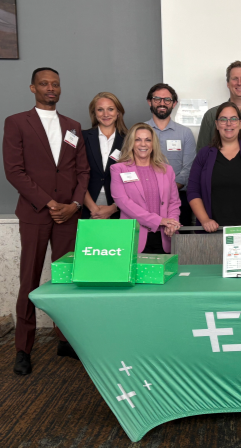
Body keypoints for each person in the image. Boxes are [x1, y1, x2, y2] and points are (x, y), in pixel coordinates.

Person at [3, 67, 90, 375]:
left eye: (55, 84)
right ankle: (23, 348)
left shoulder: (73, 126)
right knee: (30, 279)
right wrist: (49, 202)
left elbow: (83, 172)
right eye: (44, 84)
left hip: (69, 215)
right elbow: (14, 171)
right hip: (36, 214)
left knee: (66, 278)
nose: (51, 88)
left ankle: (65, 339)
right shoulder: (16, 123)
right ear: (32, 88)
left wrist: (74, 205)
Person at [187, 102, 241, 232]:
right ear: (216, 124)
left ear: (240, 123)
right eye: (223, 119)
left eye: (233, 119)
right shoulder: (204, 155)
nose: (229, 123)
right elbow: (193, 191)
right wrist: (205, 220)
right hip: (210, 232)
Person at [110, 123, 181, 254]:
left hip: (164, 237)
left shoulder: (167, 170)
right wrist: (159, 221)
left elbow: (174, 202)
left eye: (148, 140)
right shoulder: (118, 169)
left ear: (153, 144)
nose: (143, 144)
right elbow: (124, 203)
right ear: (131, 143)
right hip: (134, 237)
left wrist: (172, 222)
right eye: (138, 139)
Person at [145, 83, 196, 227]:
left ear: (174, 104)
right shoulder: (139, 131)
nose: (162, 103)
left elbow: (188, 169)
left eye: (167, 100)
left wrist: (167, 190)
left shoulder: (185, 133)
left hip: (179, 199)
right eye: (157, 99)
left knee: (178, 244)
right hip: (145, 198)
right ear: (150, 101)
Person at [82, 92, 128, 219]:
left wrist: (114, 207)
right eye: (100, 110)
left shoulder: (129, 140)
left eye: (111, 109)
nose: (106, 114)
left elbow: (134, 178)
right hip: (87, 204)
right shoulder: (83, 138)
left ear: (118, 112)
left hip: (119, 206)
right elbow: (75, 175)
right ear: (94, 113)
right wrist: (93, 208)